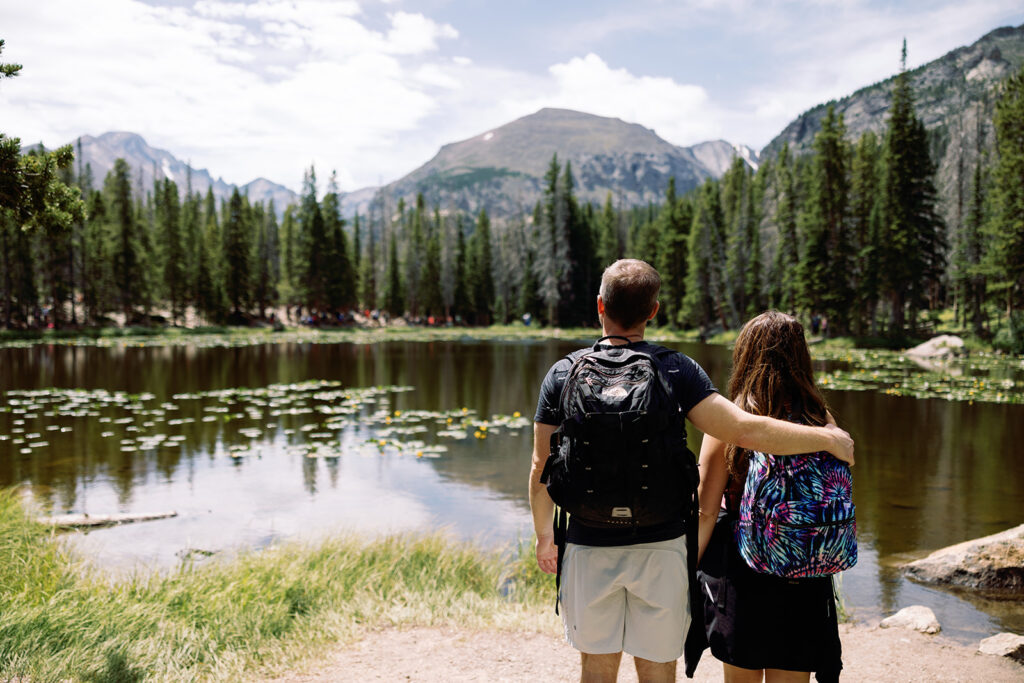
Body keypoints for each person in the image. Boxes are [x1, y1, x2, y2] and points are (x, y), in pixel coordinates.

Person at [529, 260, 854, 683]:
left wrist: (544, 537)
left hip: (588, 542)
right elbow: (741, 428)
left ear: (599, 306)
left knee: (596, 666)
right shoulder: (677, 370)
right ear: (654, 310)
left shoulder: (562, 373)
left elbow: (541, 466)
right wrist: (828, 439)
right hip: (662, 545)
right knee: (659, 667)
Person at [695, 311, 848, 683]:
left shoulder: (730, 421)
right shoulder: (820, 419)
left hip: (743, 569)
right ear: (801, 357)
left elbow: (704, 509)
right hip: (805, 568)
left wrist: (684, 570)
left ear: (745, 356)